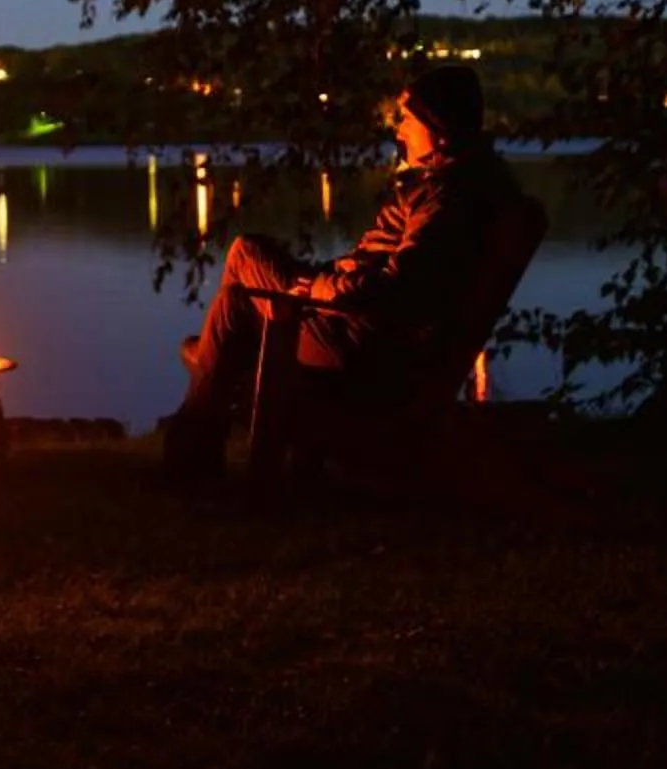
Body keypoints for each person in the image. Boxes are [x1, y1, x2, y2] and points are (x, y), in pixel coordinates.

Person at [158, 62, 529, 484]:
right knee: (248, 254)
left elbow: (399, 287)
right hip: (357, 324)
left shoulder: (447, 199)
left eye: (407, 121)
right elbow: (390, 272)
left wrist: (320, 287)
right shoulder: (452, 185)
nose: (399, 131)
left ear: (439, 129)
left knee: (233, 309)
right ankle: (198, 446)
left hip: (361, 344)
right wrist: (325, 280)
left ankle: (192, 462)